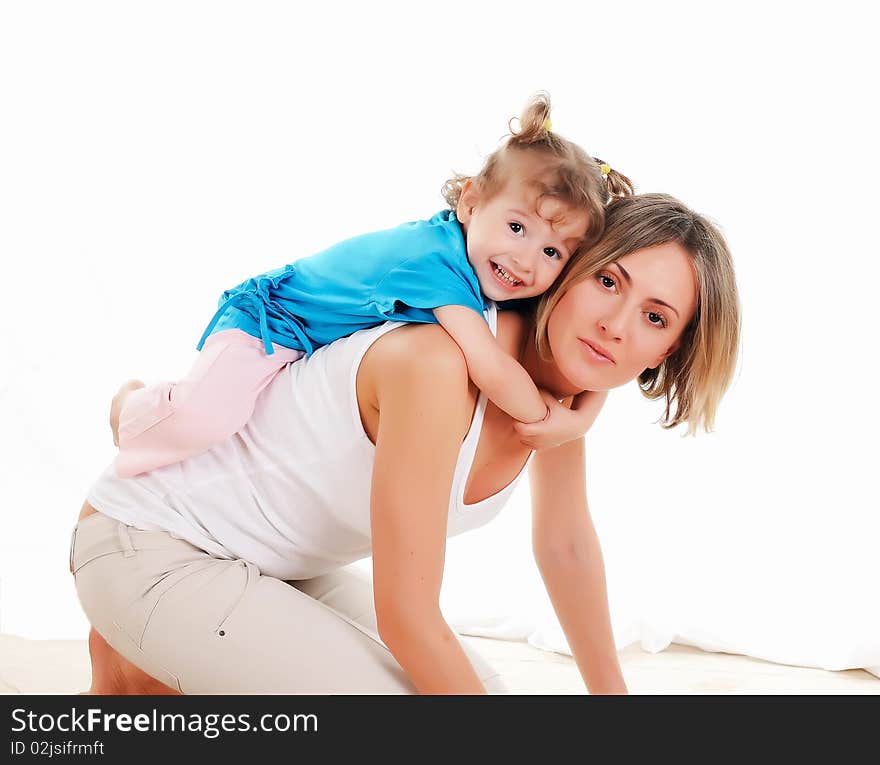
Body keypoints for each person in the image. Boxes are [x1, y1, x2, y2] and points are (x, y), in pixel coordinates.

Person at [70, 193, 741, 694]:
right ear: (570, 268)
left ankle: (141, 673)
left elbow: (564, 547)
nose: (616, 325)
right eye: (607, 281)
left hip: (280, 565)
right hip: (152, 544)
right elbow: (408, 617)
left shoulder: (554, 397)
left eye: (655, 317)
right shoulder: (440, 364)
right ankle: (135, 660)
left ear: (671, 347)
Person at [112, 92, 633, 478]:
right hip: (270, 319)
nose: (525, 260)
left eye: (551, 252)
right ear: (471, 202)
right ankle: (131, 406)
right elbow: (491, 367)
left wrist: (584, 418)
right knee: (203, 420)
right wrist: (554, 422)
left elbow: (574, 351)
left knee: (248, 442)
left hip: (311, 346)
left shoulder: (491, 264)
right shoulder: (436, 265)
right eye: (517, 227)